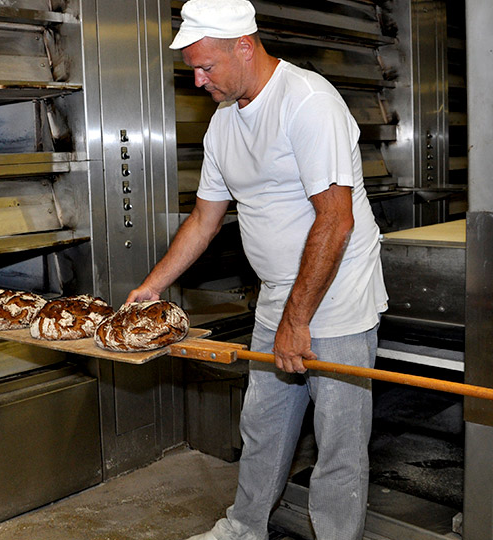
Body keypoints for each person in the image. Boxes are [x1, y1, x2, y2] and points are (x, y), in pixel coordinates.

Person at [125, 0, 388, 538]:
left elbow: (335, 222)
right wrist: (153, 286)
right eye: (193, 70)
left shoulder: (308, 102)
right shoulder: (224, 125)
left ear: (244, 46)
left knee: (338, 441)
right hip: (278, 295)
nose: (199, 81)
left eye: (206, 67)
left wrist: (299, 321)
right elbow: (203, 220)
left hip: (336, 297)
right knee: (263, 425)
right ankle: (245, 528)